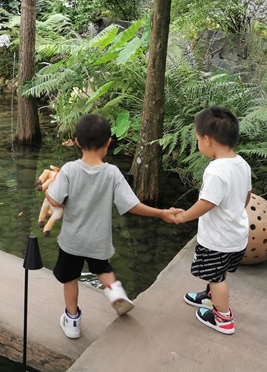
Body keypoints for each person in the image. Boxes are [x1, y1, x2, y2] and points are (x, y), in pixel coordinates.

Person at [44, 113, 181, 339]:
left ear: (77, 142)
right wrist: (162, 213)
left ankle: (72, 321)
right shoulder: (112, 173)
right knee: (103, 269)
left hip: (72, 242)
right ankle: (115, 292)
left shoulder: (69, 170)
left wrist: (48, 190)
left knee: (70, 278)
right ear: (108, 142)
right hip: (98, 240)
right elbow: (132, 205)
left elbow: (56, 201)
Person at [171, 106, 251, 335]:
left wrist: (184, 216)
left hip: (218, 239)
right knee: (219, 270)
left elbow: (207, 203)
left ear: (206, 140)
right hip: (236, 235)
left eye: (197, 139)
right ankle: (209, 297)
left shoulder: (216, 170)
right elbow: (246, 196)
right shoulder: (241, 163)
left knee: (216, 278)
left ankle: (223, 318)